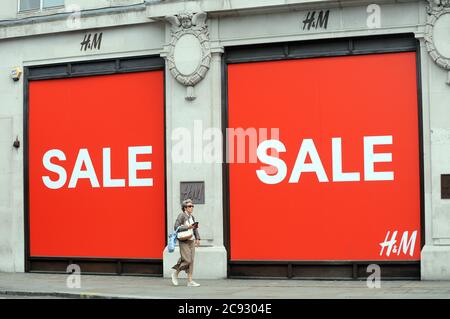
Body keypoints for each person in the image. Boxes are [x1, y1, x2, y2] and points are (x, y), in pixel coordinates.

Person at [171, 198, 201, 287]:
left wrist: (198, 238)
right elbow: (176, 227)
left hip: (191, 240)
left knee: (191, 261)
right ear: (185, 208)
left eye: (192, 206)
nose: (191, 207)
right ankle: (175, 272)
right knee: (187, 260)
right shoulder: (181, 216)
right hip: (184, 240)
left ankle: (190, 281)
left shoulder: (192, 217)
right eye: (189, 206)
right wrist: (187, 227)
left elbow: (195, 228)